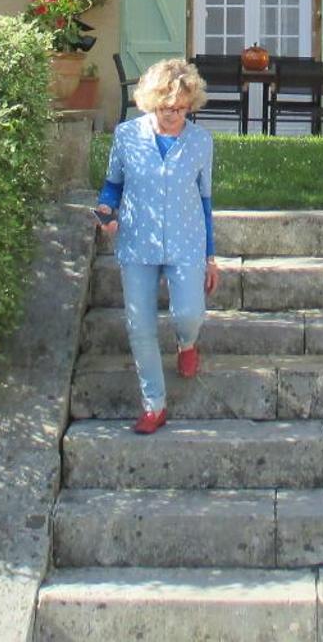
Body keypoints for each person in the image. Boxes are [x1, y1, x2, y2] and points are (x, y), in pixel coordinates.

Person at [94, 58, 219, 434]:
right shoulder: (126, 136)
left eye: (181, 108)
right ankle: (154, 405)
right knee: (140, 326)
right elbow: (112, 185)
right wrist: (106, 210)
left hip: (186, 240)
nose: (173, 115)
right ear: (151, 103)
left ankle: (187, 343)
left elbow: (205, 200)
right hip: (137, 241)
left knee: (189, 314)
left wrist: (210, 256)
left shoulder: (201, 142)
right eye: (166, 108)